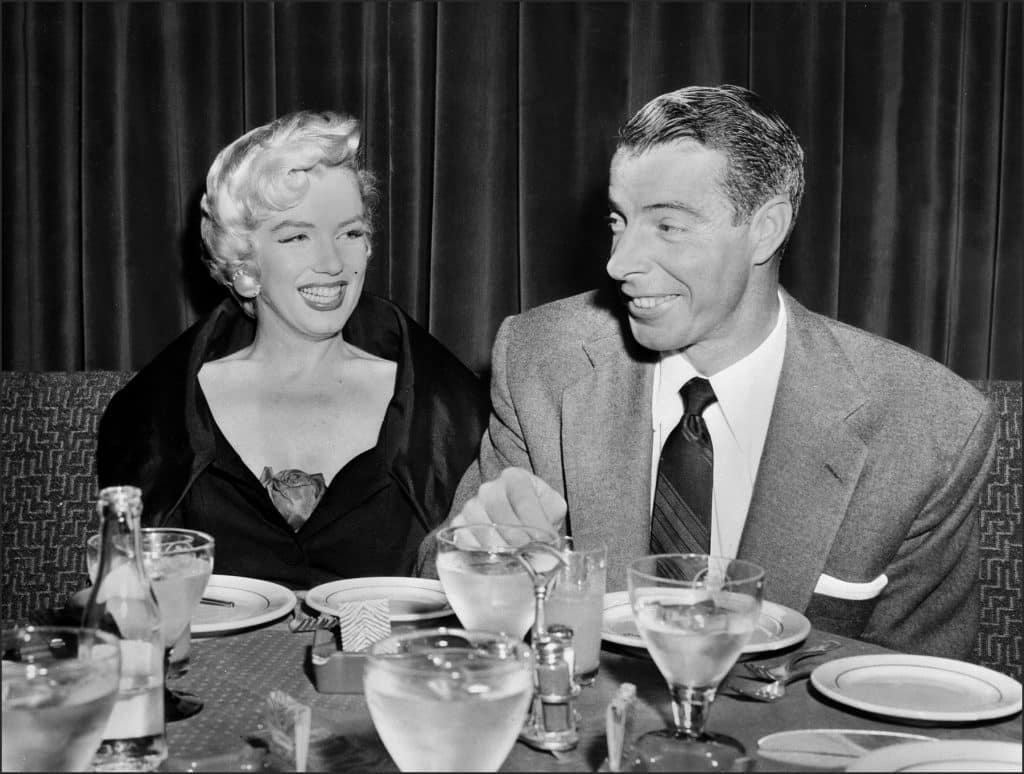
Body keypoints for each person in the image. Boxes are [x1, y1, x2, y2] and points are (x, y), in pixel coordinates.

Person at [422, 85, 998, 659]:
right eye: (619, 221)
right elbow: (433, 596)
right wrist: (476, 558)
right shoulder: (542, 358)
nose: (618, 263)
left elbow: (920, 697)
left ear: (766, 229)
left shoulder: (930, 426)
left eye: (668, 226)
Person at [98, 110, 489, 589]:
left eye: (350, 233)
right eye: (297, 237)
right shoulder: (155, 417)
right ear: (243, 265)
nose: (332, 263)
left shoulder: (449, 411)